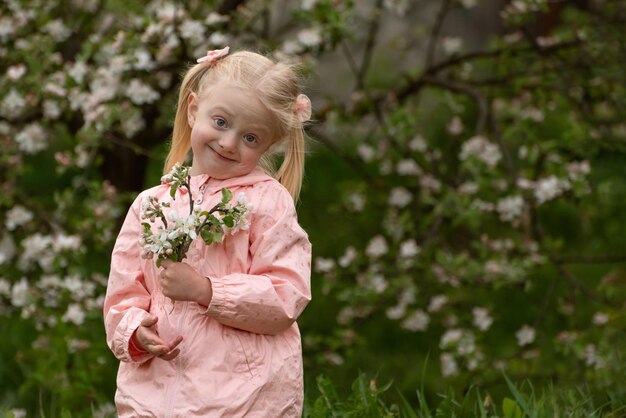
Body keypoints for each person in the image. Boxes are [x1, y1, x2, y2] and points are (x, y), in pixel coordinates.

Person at [103, 46, 313, 417]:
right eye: (220, 122)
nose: (229, 142)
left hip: (242, 397)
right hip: (153, 391)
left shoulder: (268, 204)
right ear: (194, 108)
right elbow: (125, 293)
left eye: (251, 138)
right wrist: (134, 330)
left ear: (270, 144)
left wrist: (207, 290)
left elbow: (287, 294)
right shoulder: (151, 204)